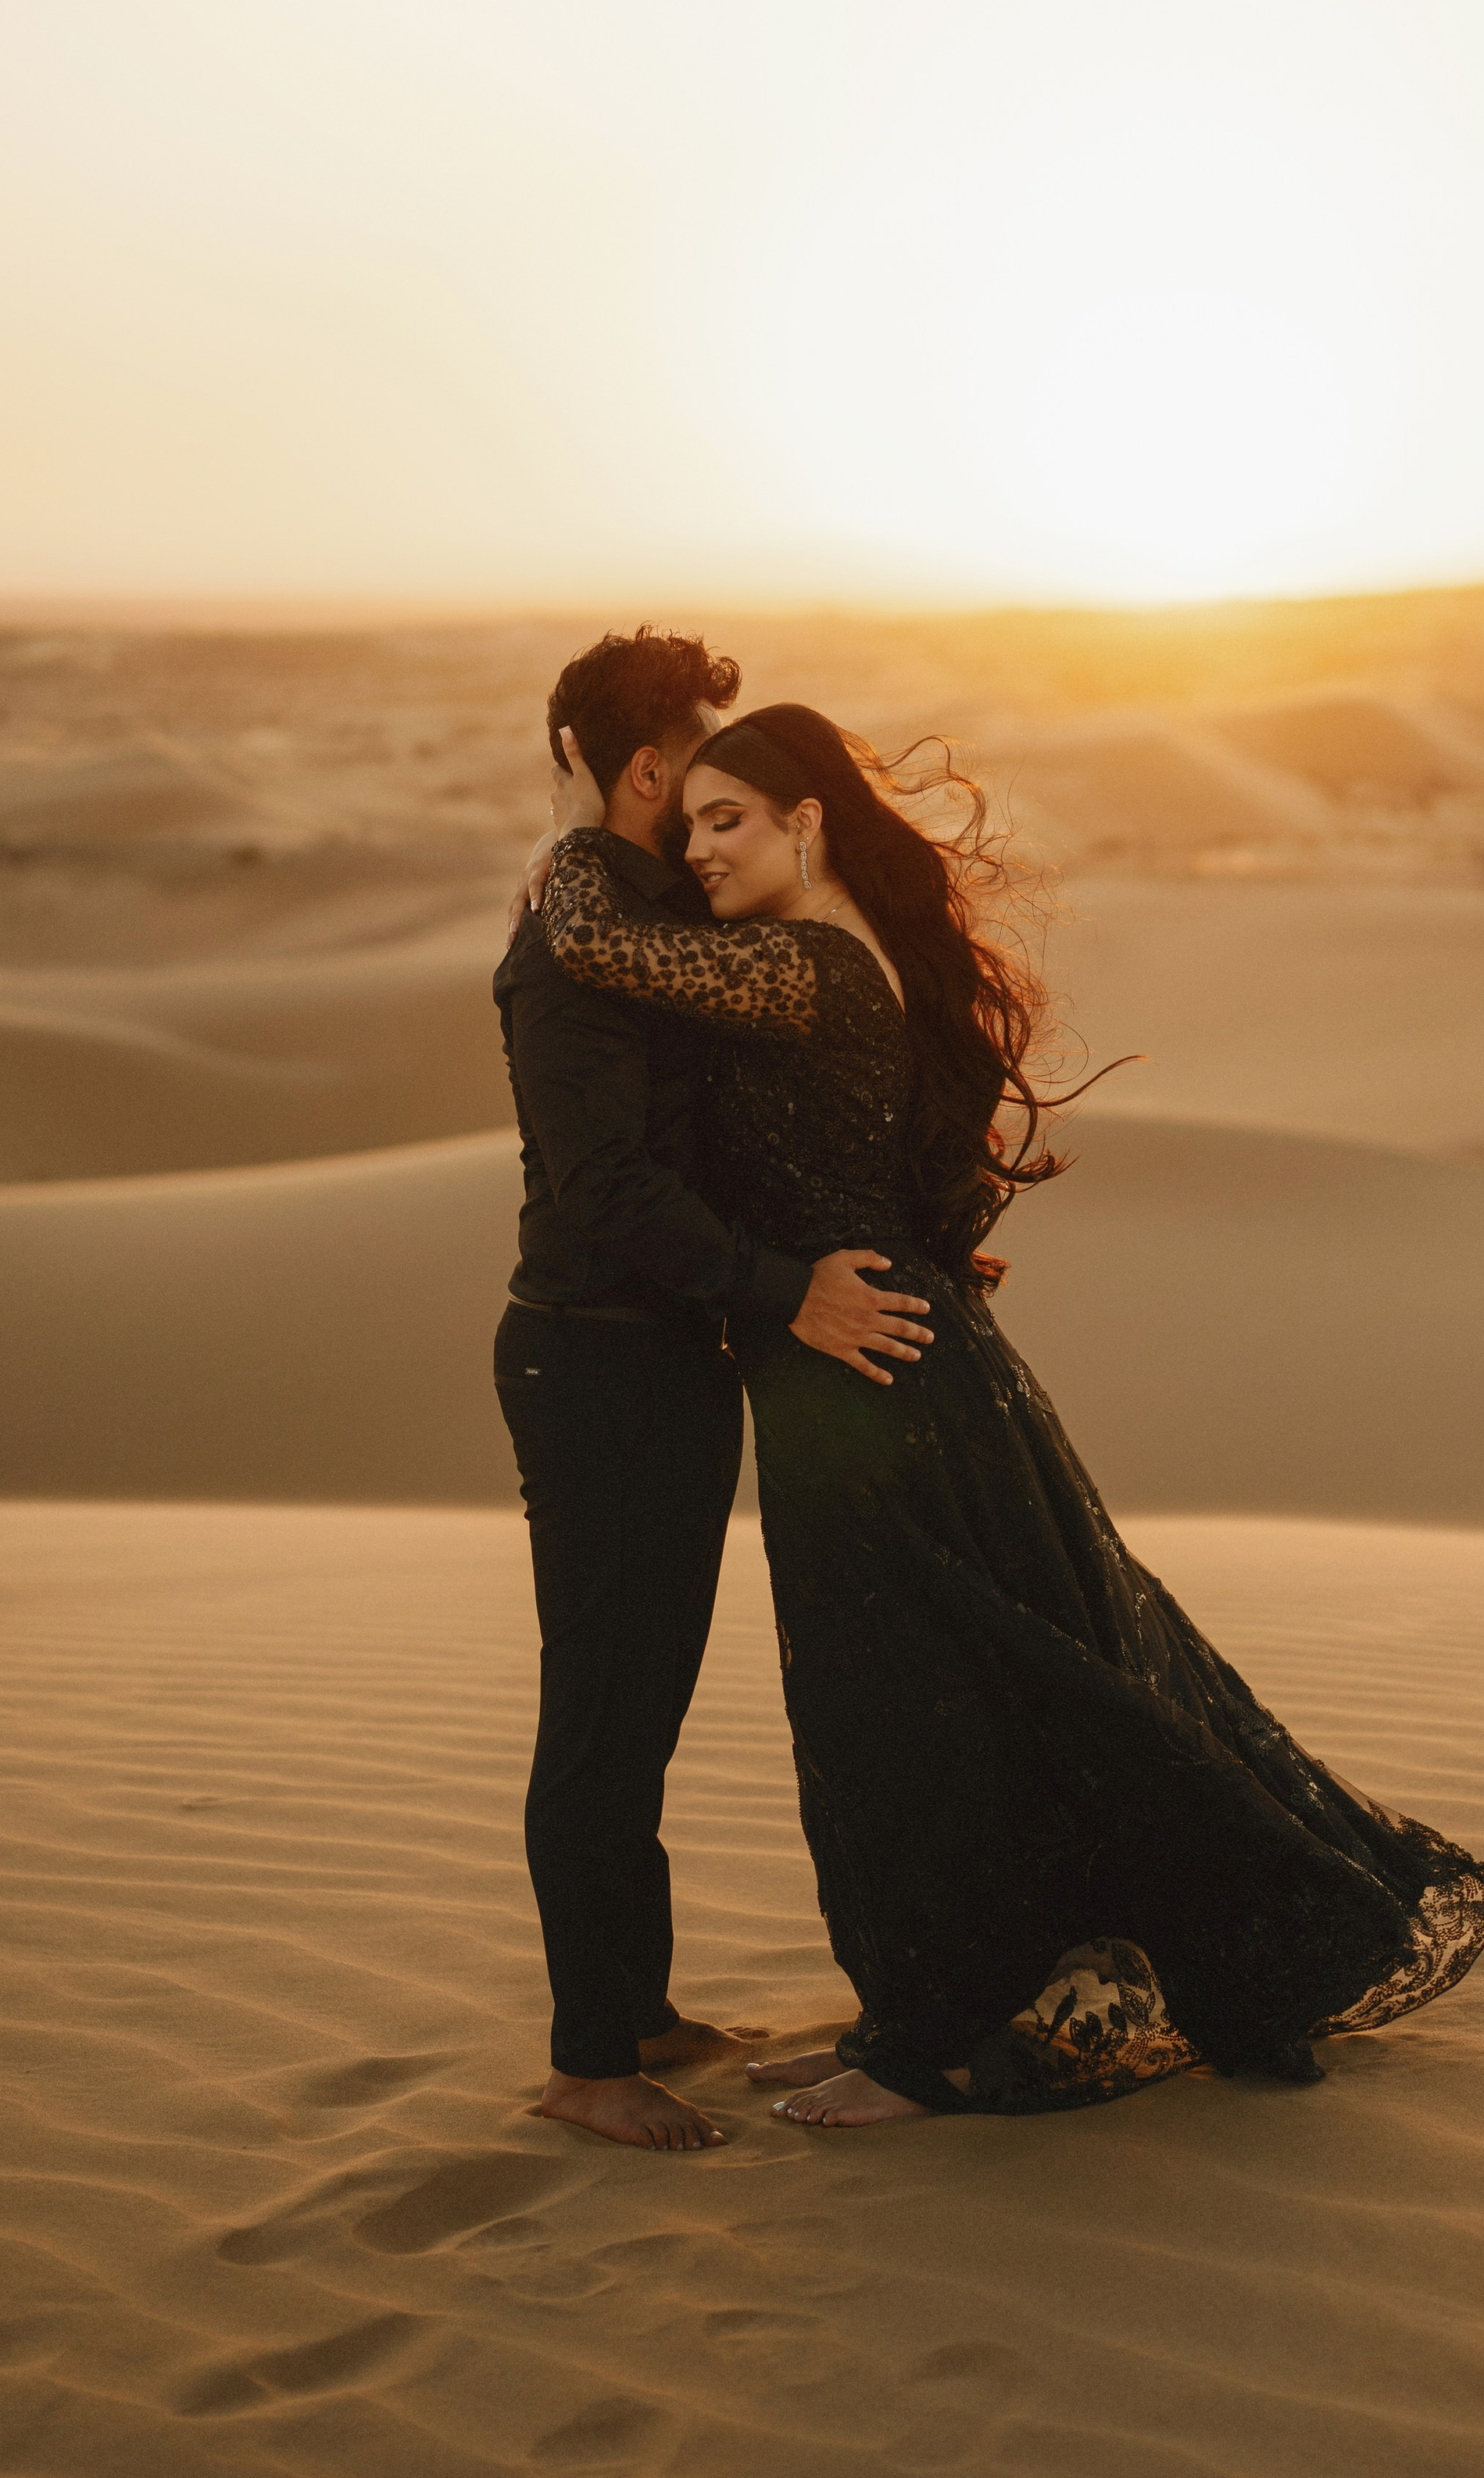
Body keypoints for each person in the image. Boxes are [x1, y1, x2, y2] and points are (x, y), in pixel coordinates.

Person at [523, 696, 1484, 2128]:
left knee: (909, 1717)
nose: (703, 848)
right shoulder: (828, 954)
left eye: (727, 820)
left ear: (809, 822)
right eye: (688, 825)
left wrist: (569, 831)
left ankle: (930, 2047)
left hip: (881, 1387)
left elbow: (593, 943)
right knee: (902, 1703)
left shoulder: (807, 965)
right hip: (867, 1371)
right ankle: (906, 2017)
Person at [493, 631, 935, 2151]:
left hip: (671, 1353)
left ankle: (644, 2006)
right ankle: (585, 2062)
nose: (718, 796)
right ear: (645, 768)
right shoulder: (571, 938)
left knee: (649, 1697)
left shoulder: (645, 910)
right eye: (701, 765)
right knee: (601, 1705)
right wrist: (777, 1285)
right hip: (597, 1347)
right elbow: (609, 1185)